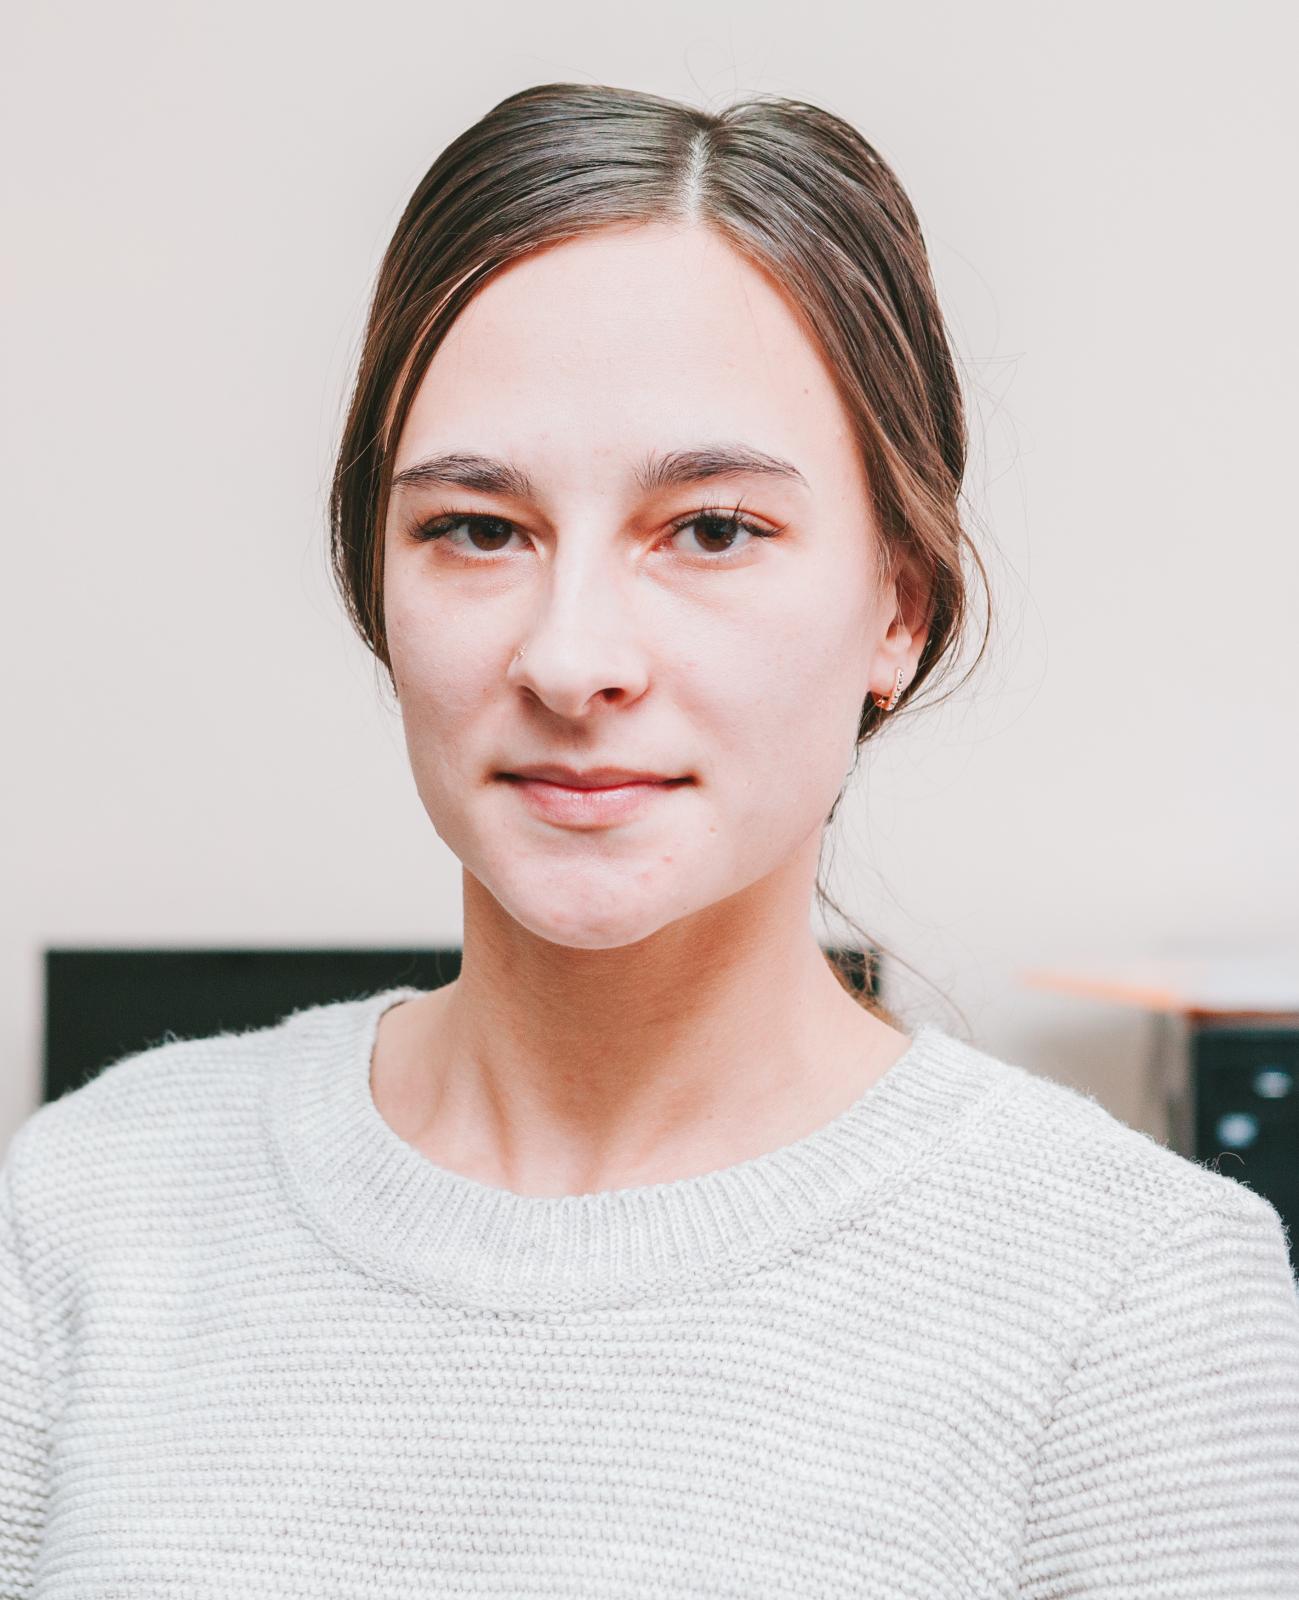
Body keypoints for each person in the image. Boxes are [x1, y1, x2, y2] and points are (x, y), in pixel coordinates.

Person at [3, 82, 1297, 1598]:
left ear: (899, 604)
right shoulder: (91, 1203)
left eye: (712, 530)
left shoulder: (1135, 1297)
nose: (572, 660)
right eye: (476, 529)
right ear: (378, 584)